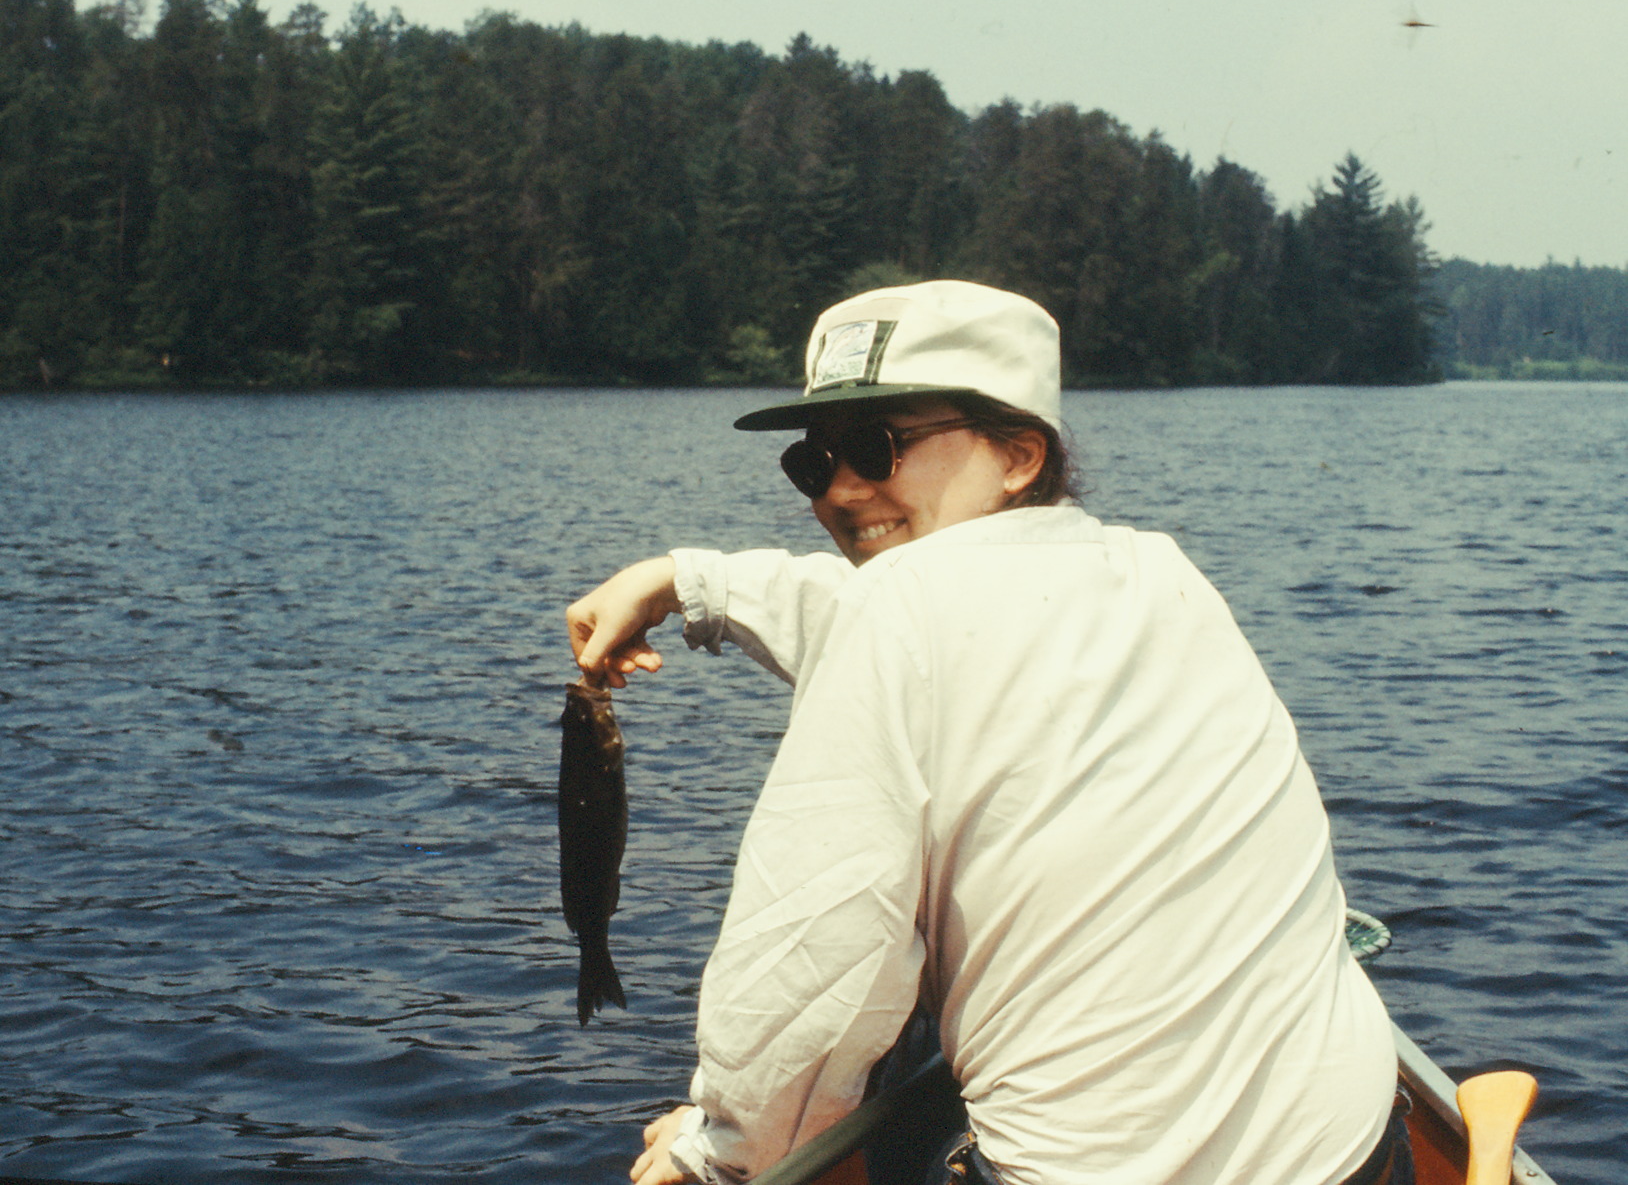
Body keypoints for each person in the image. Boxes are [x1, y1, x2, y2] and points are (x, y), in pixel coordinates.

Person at [567, 281, 1409, 1185]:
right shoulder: (1155, 569)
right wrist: (693, 583)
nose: (842, 490)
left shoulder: (901, 617)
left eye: (876, 448)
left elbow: (808, 981)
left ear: (1017, 455)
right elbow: (923, 633)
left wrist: (713, 1151)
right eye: (813, 463)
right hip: (1355, 1149)